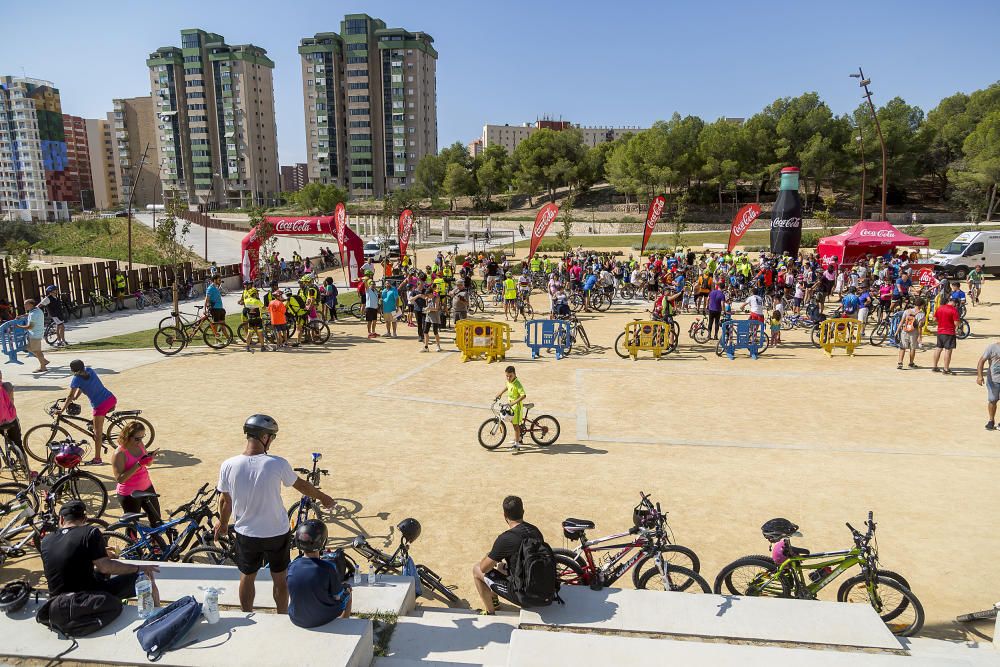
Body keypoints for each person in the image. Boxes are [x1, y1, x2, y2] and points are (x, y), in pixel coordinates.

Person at [215, 415, 335, 614]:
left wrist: (224, 523)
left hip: (246, 532)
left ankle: (247, 614)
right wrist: (323, 497)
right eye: (272, 436)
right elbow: (302, 486)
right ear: (264, 437)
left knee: (247, 576)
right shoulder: (277, 463)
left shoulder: (228, 465)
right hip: (276, 532)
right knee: (280, 578)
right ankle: (281, 615)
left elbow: (224, 501)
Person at [41, 499, 160, 602]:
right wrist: (139, 568)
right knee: (144, 577)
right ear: (85, 519)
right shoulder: (90, 532)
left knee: (100, 573)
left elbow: (68, 565)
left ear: (61, 519)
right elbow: (106, 567)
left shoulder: (46, 540)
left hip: (57, 601)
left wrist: (100, 553)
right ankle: (156, 614)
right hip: (86, 599)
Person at [472, 496, 544, 615]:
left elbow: (484, 568)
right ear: (523, 512)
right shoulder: (535, 530)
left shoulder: (505, 539)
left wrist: (490, 554)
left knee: (477, 569)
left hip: (525, 596)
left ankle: (490, 612)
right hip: (541, 586)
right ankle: (494, 600)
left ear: (504, 515)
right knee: (501, 566)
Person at [287, 520, 352, 628]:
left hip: (296, 618)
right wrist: (346, 589)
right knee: (348, 593)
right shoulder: (328, 568)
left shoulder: (292, 566)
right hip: (321, 619)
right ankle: (343, 626)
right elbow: (337, 596)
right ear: (323, 542)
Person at [62, 360, 116, 465]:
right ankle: (95, 426)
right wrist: (77, 397)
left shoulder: (76, 379)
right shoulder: (89, 370)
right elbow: (82, 387)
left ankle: (97, 459)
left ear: (73, 370)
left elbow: (69, 396)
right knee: (94, 424)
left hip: (100, 405)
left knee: (97, 434)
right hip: (110, 398)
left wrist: (62, 410)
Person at [111, 421, 162, 526]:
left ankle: (155, 542)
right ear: (127, 436)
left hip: (147, 486)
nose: (140, 441)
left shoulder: (140, 445)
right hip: (129, 493)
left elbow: (148, 464)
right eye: (137, 438)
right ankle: (132, 542)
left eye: (142, 438)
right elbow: (120, 479)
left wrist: (150, 459)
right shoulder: (119, 453)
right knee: (133, 526)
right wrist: (138, 465)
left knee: (156, 520)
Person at [495, 366, 526, 450]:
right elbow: (507, 386)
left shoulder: (517, 384)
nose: (508, 378)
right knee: (513, 423)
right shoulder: (509, 381)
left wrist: (513, 402)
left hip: (517, 407)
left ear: (515, 374)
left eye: (510, 376)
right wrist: (500, 393)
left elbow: (523, 395)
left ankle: (517, 445)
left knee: (515, 426)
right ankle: (519, 438)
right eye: (507, 376)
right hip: (511, 407)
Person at [15, 298, 48, 373]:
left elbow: (30, 327)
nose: (24, 306)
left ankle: (43, 367)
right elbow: (29, 314)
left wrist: (18, 326)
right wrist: (21, 316)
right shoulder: (36, 310)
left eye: (26, 305)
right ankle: (44, 361)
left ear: (31, 304)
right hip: (35, 333)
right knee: (29, 348)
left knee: (37, 351)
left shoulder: (34, 314)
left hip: (35, 334)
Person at [932, 296, 960, 375]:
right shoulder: (953, 310)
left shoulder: (940, 308)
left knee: (938, 348)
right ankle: (946, 369)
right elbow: (956, 323)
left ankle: (934, 367)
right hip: (949, 332)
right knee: (948, 350)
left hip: (940, 331)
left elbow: (934, 319)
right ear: (955, 303)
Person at [0, 369, 22, 451]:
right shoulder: (8, 386)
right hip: (10, 420)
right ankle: (23, 460)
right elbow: (11, 403)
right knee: (18, 444)